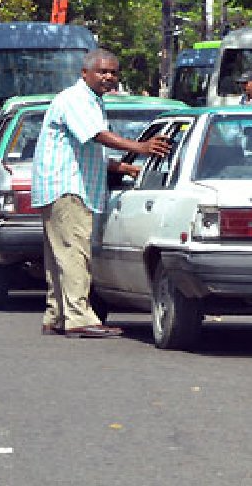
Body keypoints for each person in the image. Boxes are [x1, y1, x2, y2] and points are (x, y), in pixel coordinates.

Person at [32, 49, 171, 338]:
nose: (108, 77)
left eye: (113, 73)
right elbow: (96, 134)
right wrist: (141, 147)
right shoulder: (76, 99)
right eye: (102, 72)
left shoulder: (90, 101)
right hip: (68, 187)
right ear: (85, 73)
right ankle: (79, 318)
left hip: (65, 186)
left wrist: (124, 167)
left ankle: (57, 315)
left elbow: (85, 149)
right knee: (74, 254)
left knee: (61, 255)